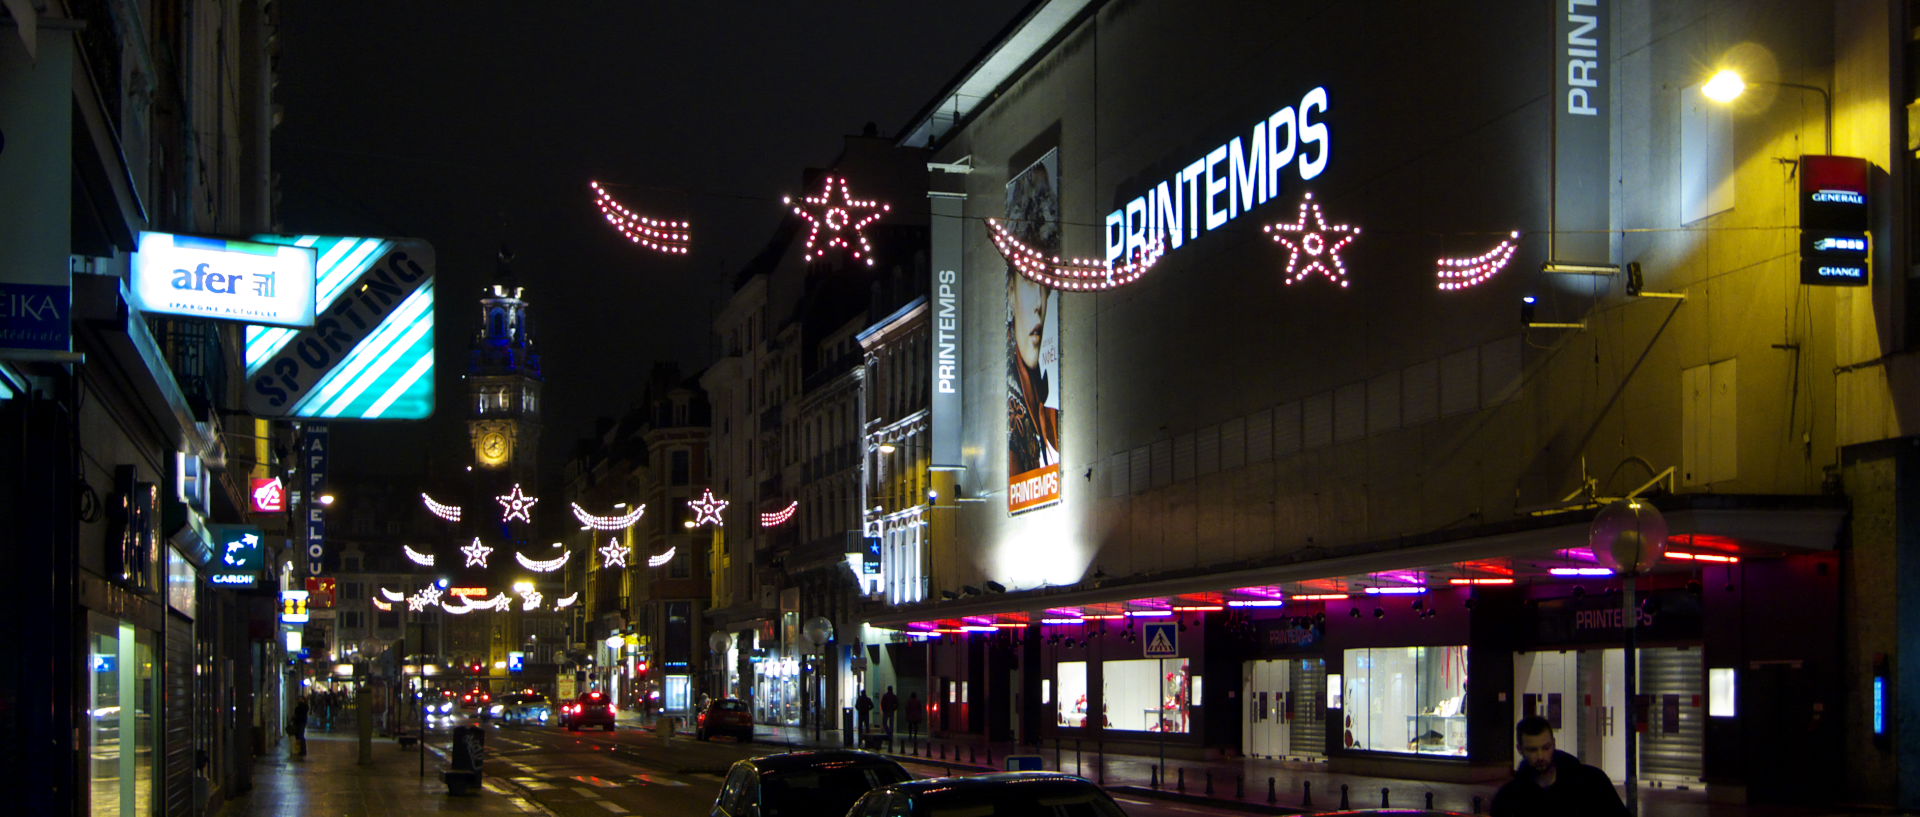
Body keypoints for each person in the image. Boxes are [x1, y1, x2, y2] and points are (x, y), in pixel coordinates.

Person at [1490, 715, 1628, 817]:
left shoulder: (1592, 782)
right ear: (1520, 750)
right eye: (1532, 750)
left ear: (1554, 744)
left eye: (1546, 748)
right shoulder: (1509, 798)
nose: (1540, 756)